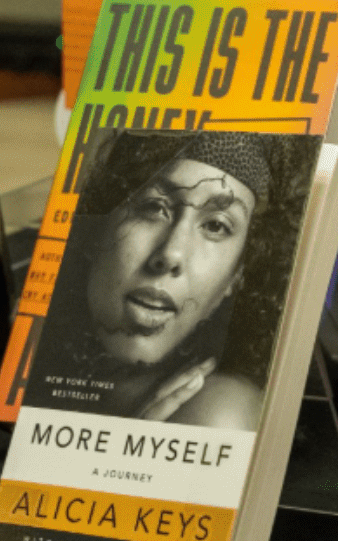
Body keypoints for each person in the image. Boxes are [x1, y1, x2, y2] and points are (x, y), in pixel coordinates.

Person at [37, 130, 303, 428]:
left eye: (216, 225)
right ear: (99, 224)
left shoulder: (217, 412)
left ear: (238, 273)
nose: (171, 254)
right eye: (154, 207)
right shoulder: (34, 359)